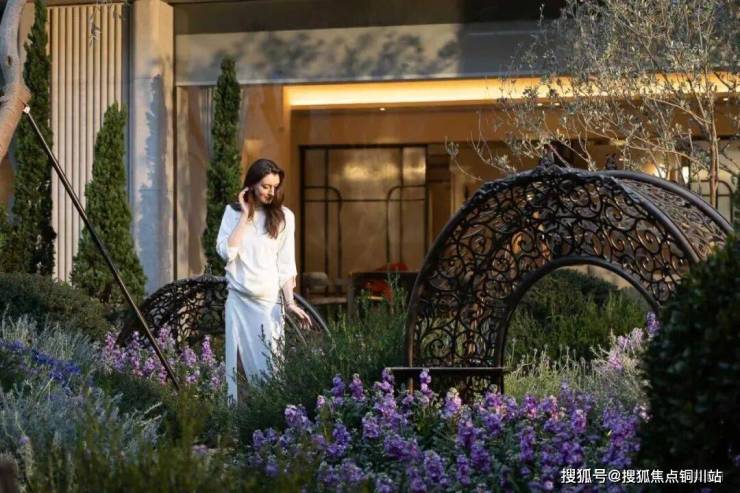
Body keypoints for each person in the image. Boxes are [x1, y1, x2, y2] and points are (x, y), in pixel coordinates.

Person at [216, 158, 312, 403]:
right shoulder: (232, 213)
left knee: (271, 372)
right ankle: (236, 424)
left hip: (269, 306)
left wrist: (290, 303)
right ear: (251, 185)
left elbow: (286, 264)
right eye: (266, 186)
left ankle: (270, 422)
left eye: (275, 187)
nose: (271, 192)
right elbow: (227, 253)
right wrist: (244, 216)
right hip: (238, 303)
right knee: (238, 376)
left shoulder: (285, 217)